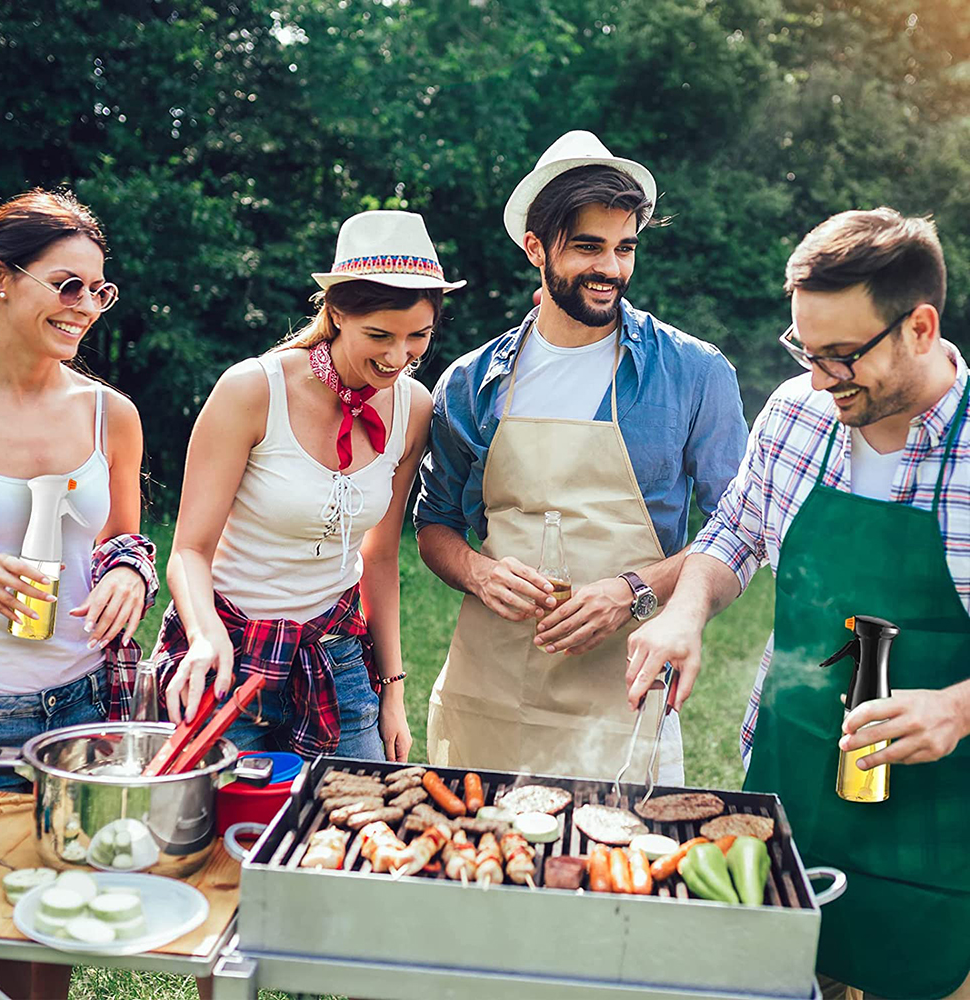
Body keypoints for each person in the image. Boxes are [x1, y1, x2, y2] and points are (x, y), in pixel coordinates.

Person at [626, 208, 970, 999]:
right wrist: (683, 613)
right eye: (804, 351)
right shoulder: (796, 414)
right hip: (794, 779)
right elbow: (735, 533)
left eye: (842, 355)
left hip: (948, 818)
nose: (819, 379)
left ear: (920, 327)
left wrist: (955, 708)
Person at [415, 131, 747, 781]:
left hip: (624, 699)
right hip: (488, 700)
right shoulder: (469, 382)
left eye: (625, 248)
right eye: (588, 247)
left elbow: (742, 530)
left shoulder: (693, 373)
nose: (612, 268)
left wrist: (632, 593)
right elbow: (434, 528)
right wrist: (480, 575)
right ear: (536, 247)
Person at [156, 211, 463, 763]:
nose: (398, 357)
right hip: (229, 650)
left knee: (352, 826)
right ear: (337, 313)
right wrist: (204, 638)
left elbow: (382, 557)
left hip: (333, 657)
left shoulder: (413, 408)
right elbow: (188, 551)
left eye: (418, 336)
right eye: (380, 336)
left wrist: (392, 692)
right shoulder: (253, 390)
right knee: (221, 837)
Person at [0, 190, 158, 999]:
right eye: (66, 284)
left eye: (98, 290)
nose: (85, 306)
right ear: (1, 278)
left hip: (85, 704)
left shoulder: (110, 415)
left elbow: (125, 539)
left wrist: (125, 571)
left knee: (60, 926)